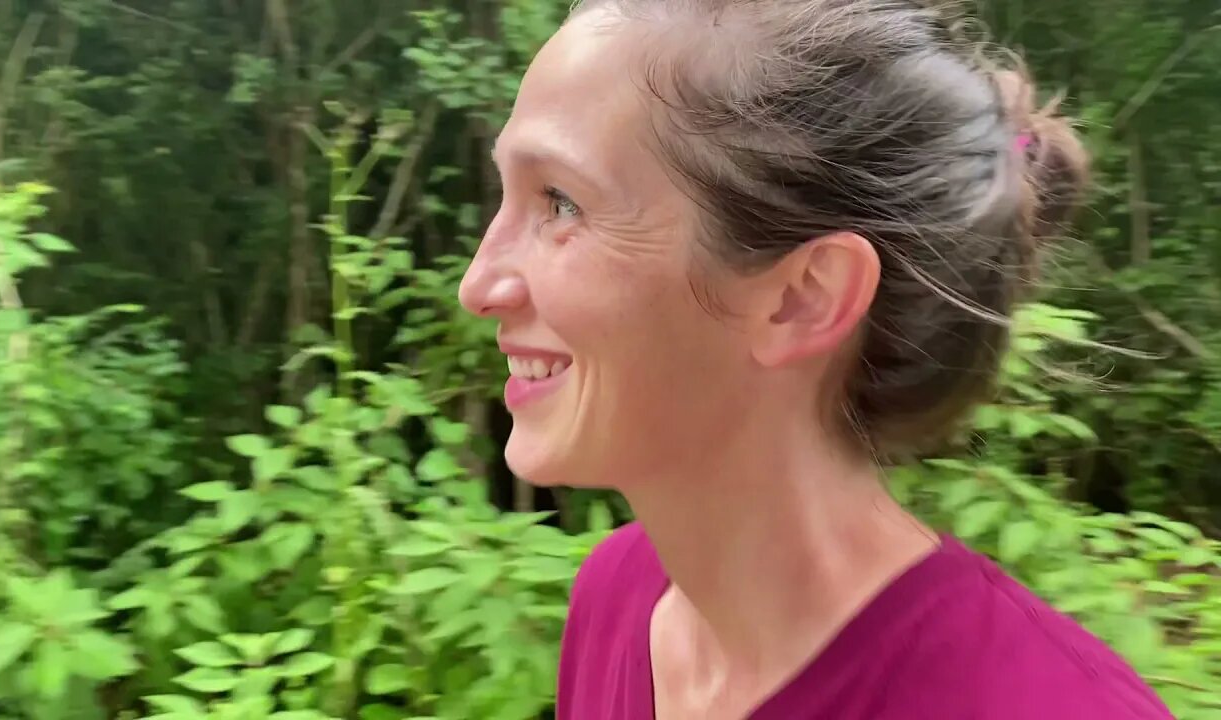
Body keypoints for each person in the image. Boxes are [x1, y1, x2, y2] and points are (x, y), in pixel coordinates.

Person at [457, 0, 1175, 718]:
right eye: (508, 196)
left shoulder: (1049, 704)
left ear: (804, 297)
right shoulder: (615, 598)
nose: (478, 286)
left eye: (560, 203)